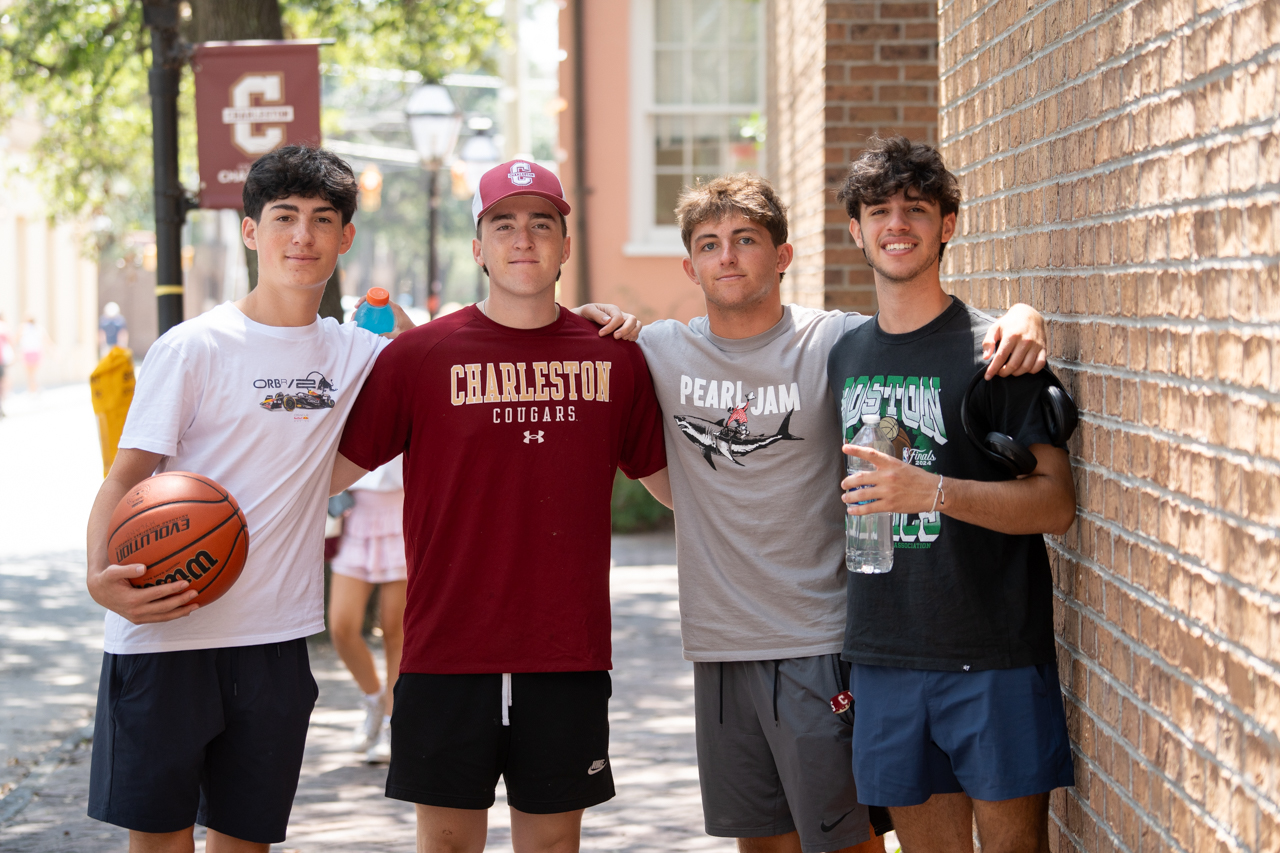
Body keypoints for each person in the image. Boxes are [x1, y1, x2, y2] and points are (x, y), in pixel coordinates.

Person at [82, 145, 636, 853]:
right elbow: (127, 477)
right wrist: (101, 576)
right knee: (159, 840)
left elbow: (477, 344)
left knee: (241, 841)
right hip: (168, 621)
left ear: (347, 238)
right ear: (250, 231)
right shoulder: (195, 348)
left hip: (272, 634)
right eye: (283, 218)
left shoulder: (364, 355)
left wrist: (586, 321)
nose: (302, 237)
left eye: (322, 220)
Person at [633, 172, 1049, 853]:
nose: (728, 256)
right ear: (690, 265)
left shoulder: (835, 341)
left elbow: (930, 328)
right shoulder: (658, 350)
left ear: (784, 255)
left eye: (745, 240)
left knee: (845, 842)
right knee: (761, 842)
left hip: (820, 637)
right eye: (710, 244)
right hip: (718, 642)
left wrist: (1024, 314)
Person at [331, 159, 669, 853]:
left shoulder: (615, 360)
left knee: (550, 847)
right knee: (447, 846)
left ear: (565, 245)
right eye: (504, 224)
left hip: (565, 651)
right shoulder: (418, 356)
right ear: (478, 246)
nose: (524, 239)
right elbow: (319, 472)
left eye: (541, 223)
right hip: (446, 648)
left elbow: (680, 492)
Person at [826, 136, 1077, 853]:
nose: (896, 223)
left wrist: (928, 490)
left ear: (949, 224)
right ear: (856, 230)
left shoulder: (995, 351)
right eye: (879, 210)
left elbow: (1055, 503)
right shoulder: (844, 351)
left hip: (993, 652)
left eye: (917, 208)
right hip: (885, 655)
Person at [328, 456, 407, 764]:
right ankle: (373, 700)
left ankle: (391, 722)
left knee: (395, 631)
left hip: (402, 509)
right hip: (352, 514)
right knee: (341, 628)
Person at [20, 316, 42, 394]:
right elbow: (46, 339)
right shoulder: (38, 328)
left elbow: (16, 338)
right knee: (34, 374)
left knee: (29, 374)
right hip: (35, 352)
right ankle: (35, 389)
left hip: (27, 353)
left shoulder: (23, 327)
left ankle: (31, 389)